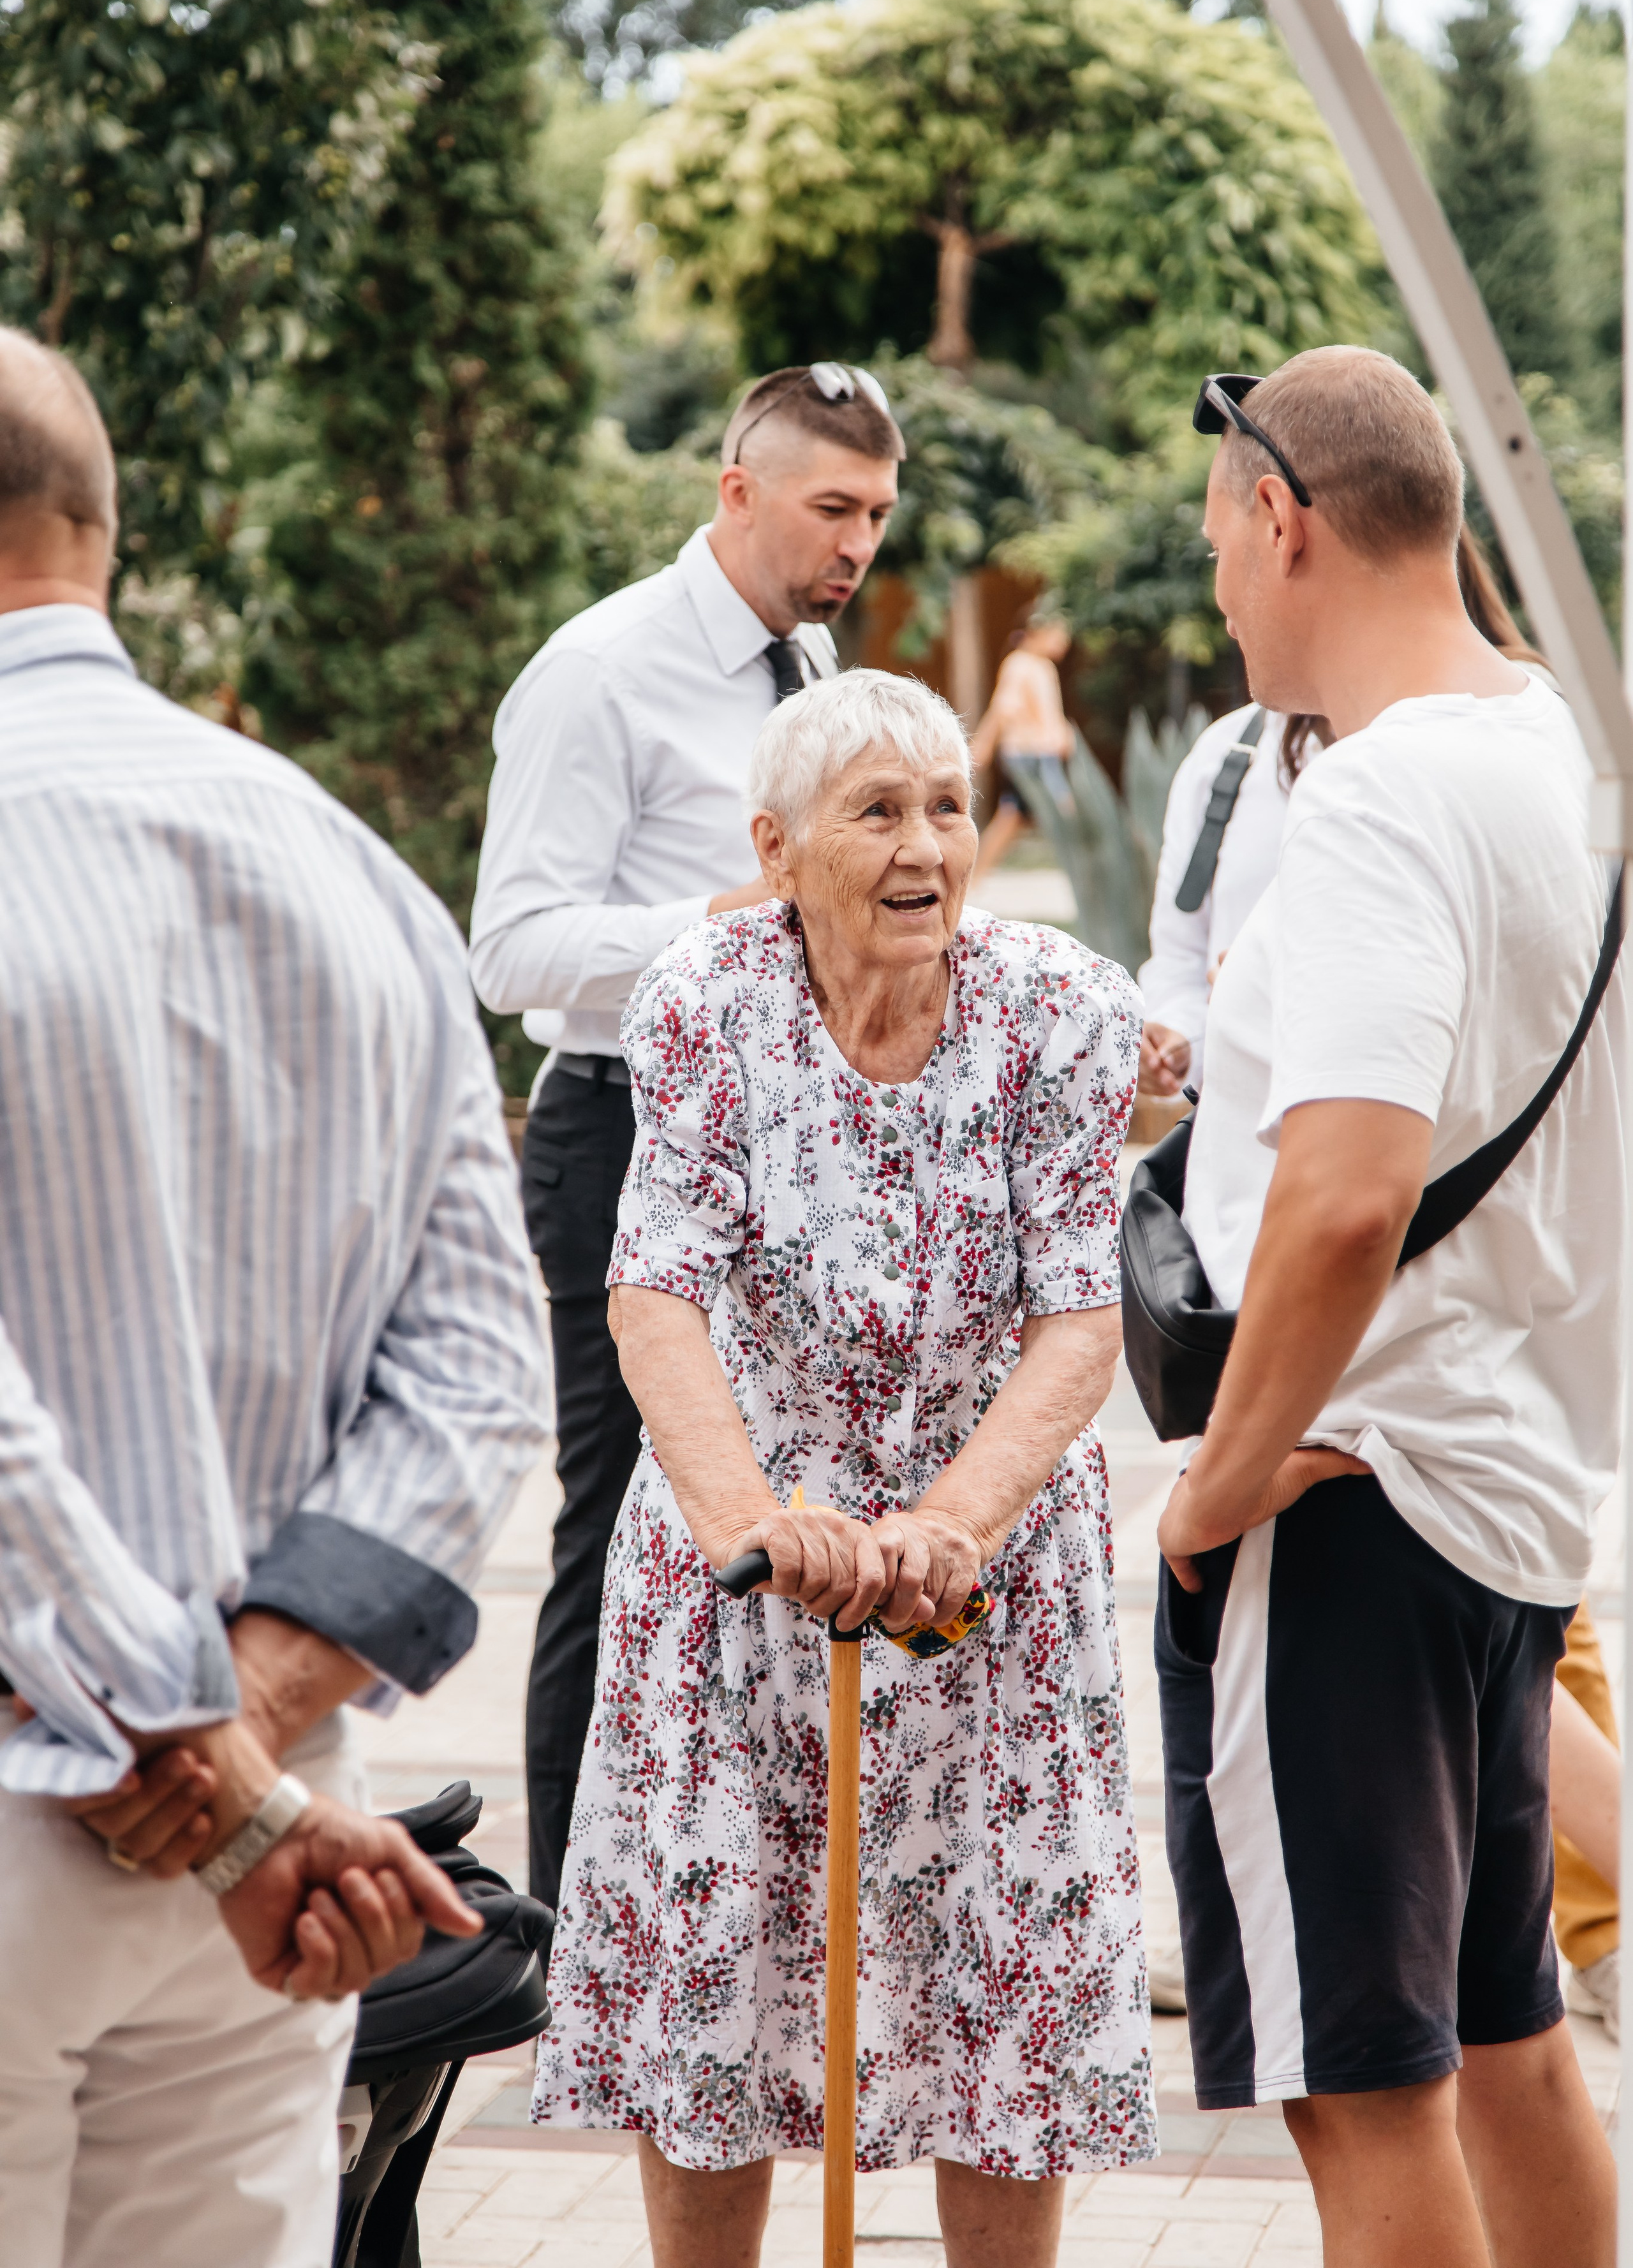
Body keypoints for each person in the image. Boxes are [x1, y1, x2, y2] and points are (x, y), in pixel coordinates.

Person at [0, 329, 550, 2266]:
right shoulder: (350, 869)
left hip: (142, 1798)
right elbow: (486, 1355)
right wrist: (249, 1741)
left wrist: (188, 1749)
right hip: (283, 1848)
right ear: (96, 531)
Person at [533, 670, 1155, 2267]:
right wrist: (747, 1518)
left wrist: (952, 1517)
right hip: (748, 1538)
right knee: (723, 1990)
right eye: (876, 809)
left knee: (998, 1991)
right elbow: (655, 1283)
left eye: (945, 805)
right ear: (777, 846)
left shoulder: (1059, 1007)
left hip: (987, 1559)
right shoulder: (701, 996)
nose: (925, 844)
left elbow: (1077, 1309)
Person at [1155, 346, 1621, 2267]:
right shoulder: (1547, 754)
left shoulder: (1368, 805)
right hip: (1504, 1488)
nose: (1213, 588)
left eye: (1213, 542)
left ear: (1280, 517)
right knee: (1506, 2033)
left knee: (1363, 2090)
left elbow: (1342, 1195)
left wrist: (1210, 1482)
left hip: (1349, 1500)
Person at [469, 363, 904, 1910]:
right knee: (614, 1523)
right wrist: (719, 925)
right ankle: (565, 1917)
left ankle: (716, 1892)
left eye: (875, 512)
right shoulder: (599, 670)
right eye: (830, 507)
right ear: (737, 493)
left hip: (776, 1146)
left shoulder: (809, 659)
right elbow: (508, 949)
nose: (856, 539)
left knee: (750, 1505)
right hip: (618, 1134)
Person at [1139, 523, 1538, 1097]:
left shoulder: (1494, 754)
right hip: (1252, 1136)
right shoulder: (1225, 760)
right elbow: (1179, 960)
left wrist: (1278, 990)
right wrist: (1177, 1033)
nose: (1227, 603)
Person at [968, 608, 1076, 881]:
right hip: (1030, 753)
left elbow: (1048, 714)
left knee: (1012, 817)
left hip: (1039, 752)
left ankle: (974, 878)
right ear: (1038, 632)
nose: (1064, 642)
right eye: (1059, 635)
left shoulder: (1041, 665)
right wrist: (984, 744)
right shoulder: (1020, 664)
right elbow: (1003, 710)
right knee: (1065, 811)